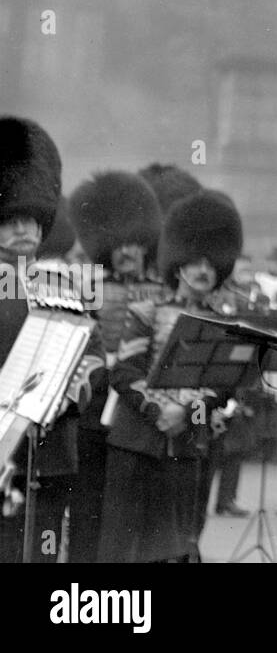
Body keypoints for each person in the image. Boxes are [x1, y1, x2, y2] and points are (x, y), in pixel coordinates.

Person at [98, 190, 243, 562]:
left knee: (178, 543)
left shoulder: (225, 324)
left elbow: (223, 388)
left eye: (212, 264)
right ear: (178, 265)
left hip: (187, 445)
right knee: (122, 547)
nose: (203, 270)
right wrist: (156, 412)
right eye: (195, 261)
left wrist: (187, 411)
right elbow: (125, 372)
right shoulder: (145, 312)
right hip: (135, 443)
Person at [0, 117, 104, 564]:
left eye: (32, 218)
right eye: (11, 219)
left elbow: (94, 356)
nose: (24, 228)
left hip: (51, 452)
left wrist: (69, 393)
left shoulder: (65, 284)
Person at [66, 170, 166, 563]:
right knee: (88, 504)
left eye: (134, 244)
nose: (126, 252)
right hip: (94, 409)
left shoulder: (161, 292)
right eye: (117, 245)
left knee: (129, 515)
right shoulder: (86, 288)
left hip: (138, 411)